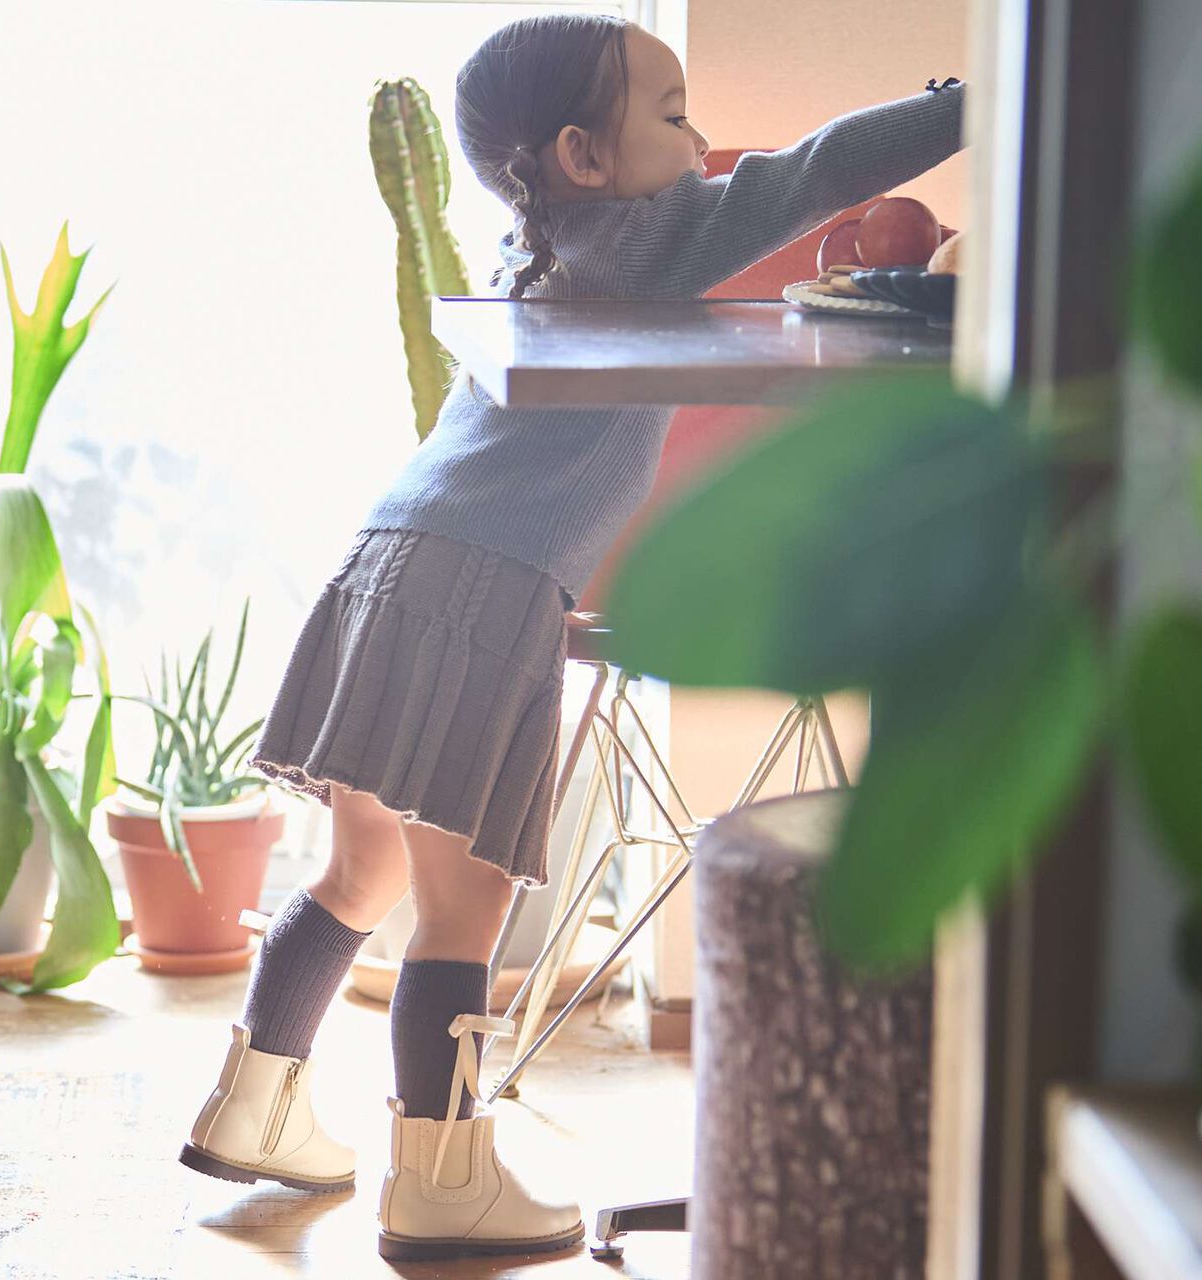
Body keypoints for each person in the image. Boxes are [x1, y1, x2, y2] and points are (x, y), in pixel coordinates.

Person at [177, 12, 966, 1262]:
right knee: (460, 912)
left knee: (359, 873)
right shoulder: (656, 237)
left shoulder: (527, 246)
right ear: (583, 157)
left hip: (387, 558)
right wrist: (963, 105)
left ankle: (252, 1101)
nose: (699, 141)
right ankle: (440, 1181)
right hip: (487, 588)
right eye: (667, 115)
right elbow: (812, 170)